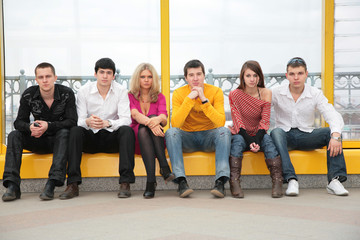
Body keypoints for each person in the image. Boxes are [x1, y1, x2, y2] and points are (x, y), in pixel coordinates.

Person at [271, 57, 348, 196]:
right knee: (276, 132)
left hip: (306, 135)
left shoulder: (314, 93)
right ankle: (291, 179)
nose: (296, 77)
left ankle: (334, 181)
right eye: (292, 74)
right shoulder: (276, 92)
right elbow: (260, 112)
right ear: (286, 75)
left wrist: (335, 136)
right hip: (284, 137)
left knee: (332, 132)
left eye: (300, 73)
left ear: (306, 74)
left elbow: (331, 114)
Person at [59, 58, 135, 199]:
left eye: (108, 73)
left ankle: (125, 182)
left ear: (113, 76)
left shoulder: (121, 91)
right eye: (101, 72)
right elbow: (79, 120)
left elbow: (127, 119)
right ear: (95, 74)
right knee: (75, 131)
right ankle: (73, 184)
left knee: (127, 131)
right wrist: (88, 122)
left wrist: (108, 123)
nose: (105, 76)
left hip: (111, 138)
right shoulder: (84, 91)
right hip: (91, 138)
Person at [2, 62, 77, 201]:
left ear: (55, 77)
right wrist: (30, 127)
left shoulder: (67, 93)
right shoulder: (29, 95)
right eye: (41, 77)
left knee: (65, 133)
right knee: (14, 135)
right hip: (37, 139)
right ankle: (12, 186)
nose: (45, 80)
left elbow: (72, 122)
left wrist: (49, 126)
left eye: (48, 76)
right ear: (36, 79)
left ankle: (51, 184)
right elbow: (18, 122)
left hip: (58, 142)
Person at [165, 59, 231, 198]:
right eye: (191, 75)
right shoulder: (178, 93)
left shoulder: (215, 91)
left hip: (209, 138)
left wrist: (204, 99)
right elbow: (175, 124)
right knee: (171, 133)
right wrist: (189, 99)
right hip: (187, 138)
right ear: (186, 78)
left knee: (224, 131)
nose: (195, 78)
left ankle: (220, 181)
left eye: (198, 74)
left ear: (204, 75)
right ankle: (181, 182)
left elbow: (220, 122)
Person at [229, 60, 283, 198]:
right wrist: (250, 140)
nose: (252, 79)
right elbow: (238, 122)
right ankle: (234, 182)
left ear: (260, 76)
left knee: (269, 143)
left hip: (259, 132)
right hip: (241, 132)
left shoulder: (266, 93)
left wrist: (257, 140)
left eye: (255, 75)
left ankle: (277, 182)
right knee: (237, 143)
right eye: (248, 76)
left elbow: (265, 121)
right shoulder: (235, 94)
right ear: (242, 77)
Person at [128, 63, 175, 199]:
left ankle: (151, 182)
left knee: (153, 120)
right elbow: (135, 115)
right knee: (144, 129)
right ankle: (164, 167)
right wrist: (152, 123)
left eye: (150, 77)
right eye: (143, 77)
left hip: (156, 140)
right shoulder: (130, 96)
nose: (146, 80)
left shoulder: (159, 96)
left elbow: (164, 119)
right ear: (138, 78)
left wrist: (157, 119)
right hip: (138, 139)